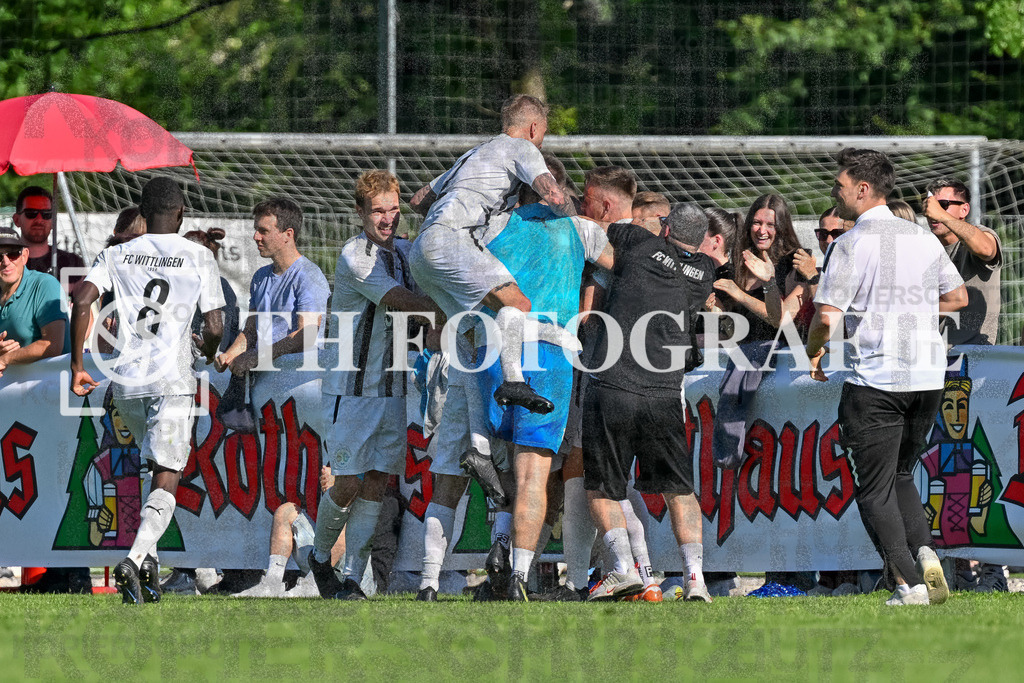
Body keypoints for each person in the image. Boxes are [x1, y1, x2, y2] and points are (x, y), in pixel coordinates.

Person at [805, 147, 967, 607]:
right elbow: (957, 298)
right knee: (900, 475)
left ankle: (908, 585)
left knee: (873, 490)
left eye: (838, 185)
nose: (833, 193)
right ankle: (925, 554)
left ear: (862, 188)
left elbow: (827, 316)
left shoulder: (850, 243)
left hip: (877, 379)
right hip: (928, 377)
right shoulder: (922, 237)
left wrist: (813, 352)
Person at [69, 176, 225, 605]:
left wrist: (78, 366)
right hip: (171, 378)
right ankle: (135, 560)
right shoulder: (198, 254)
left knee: (148, 467)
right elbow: (215, 325)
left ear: (141, 210)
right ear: (181, 214)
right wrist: (208, 352)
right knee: (167, 474)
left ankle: (149, 571)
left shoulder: (116, 253)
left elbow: (82, 300)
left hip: (126, 382)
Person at [477, 155, 613, 601]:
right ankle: (517, 575)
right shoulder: (582, 230)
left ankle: (498, 555)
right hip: (552, 353)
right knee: (534, 473)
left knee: (500, 464)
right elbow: (626, 266)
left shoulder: (493, 227)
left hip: (493, 352)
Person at [309, 170, 438, 601]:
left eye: (393, 209)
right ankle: (319, 557)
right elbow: (401, 302)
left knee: (377, 485)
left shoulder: (404, 252)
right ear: (360, 212)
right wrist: (447, 311)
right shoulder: (355, 255)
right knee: (346, 483)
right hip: (352, 389)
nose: (387, 218)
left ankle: (352, 578)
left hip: (394, 388)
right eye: (378, 210)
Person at [408, 94, 576, 415]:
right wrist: (574, 215)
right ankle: (514, 380)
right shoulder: (522, 148)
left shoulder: (474, 155)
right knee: (518, 304)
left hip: (422, 249)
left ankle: (479, 447)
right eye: (543, 134)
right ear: (533, 127)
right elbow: (552, 193)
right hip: (454, 240)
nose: (541, 142)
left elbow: (418, 200)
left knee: (473, 340)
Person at [583, 204, 715, 602]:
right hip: (663, 395)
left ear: (666, 226)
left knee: (603, 487)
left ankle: (623, 569)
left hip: (614, 383)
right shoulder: (705, 273)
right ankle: (696, 581)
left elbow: (602, 229)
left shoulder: (638, 244)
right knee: (679, 489)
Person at [216, 198, 329, 377]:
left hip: (299, 382)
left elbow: (306, 335)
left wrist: (257, 357)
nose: (256, 237)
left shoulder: (308, 275)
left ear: (288, 234)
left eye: (263, 231)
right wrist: (229, 355)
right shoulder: (260, 276)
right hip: (264, 380)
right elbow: (251, 332)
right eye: (256, 230)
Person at [712, 194, 805, 344]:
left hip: (783, 357)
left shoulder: (797, 262)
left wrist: (740, 294)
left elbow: (783, 319)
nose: (762, 231)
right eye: (757, 223)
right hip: (745, 356)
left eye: (770, 225)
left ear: (782, 228)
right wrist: (716, 309)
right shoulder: (740, 263)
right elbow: (733, 331)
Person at [923, 177, 1002, 347]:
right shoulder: (925, 245)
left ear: (964, 209)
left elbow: (986, 249)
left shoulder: (981, 234)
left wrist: (942, 215)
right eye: (930, 205)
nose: (932, 212)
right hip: (932, 353)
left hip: (973, 354)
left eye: (943, 204)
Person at [0, 227, 70, 378]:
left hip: (51, 389)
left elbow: (53, 345)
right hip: (12, 393)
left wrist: (5, 359)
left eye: (13, 254)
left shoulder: (45, 284)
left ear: (24, 256)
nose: (6, 262)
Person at [12, 186, 85, 293]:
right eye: (31, 213)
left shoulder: (72, 262)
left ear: (53, 221)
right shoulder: (7, 263)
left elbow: (87, 307)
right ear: (17, 220)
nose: (39, 219)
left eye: (46, 214)